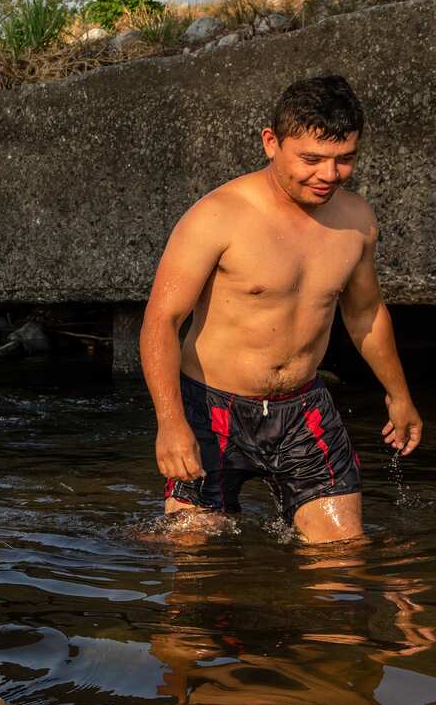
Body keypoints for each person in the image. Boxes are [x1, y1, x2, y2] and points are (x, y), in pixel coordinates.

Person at [140, 75, 422, 544]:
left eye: (344, 159)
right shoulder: (217, 216)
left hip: (302, 410)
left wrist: (399, 394)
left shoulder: (356, 221)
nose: (328, 175)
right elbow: (160, 321)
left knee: (342, 556)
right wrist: (170, 425)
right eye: (311, 159)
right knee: (194, 563)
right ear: (272, 142)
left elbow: (365, 313)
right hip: (211, 409)